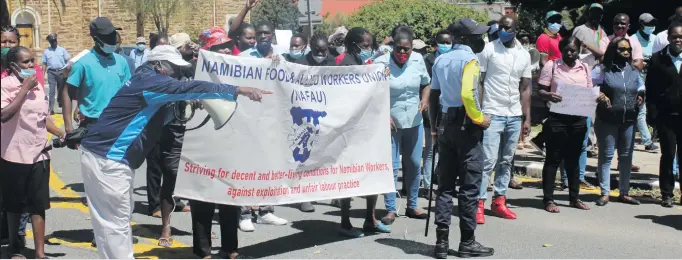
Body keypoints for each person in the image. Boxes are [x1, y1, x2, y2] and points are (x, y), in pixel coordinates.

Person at [79, 44, 270, 259]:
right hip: (109, 159)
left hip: (99, 154)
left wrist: (182, 106)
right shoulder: (152, 81)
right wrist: (236, 90)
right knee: (117, 223)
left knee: (107, 222)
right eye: (173, 68)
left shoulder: (143, 77)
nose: (177, 74)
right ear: (159, 65)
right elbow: (187, 88)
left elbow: (152, 116)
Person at [430, 18, 494, 259]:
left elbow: (434, 95)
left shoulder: (441, 59)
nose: (482, 39)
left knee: (445, 186)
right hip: (466, 129)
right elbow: (468, 93)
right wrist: (479, 118)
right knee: (469, 187)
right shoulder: (470, 59)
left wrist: (435, 130)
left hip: (445, 128)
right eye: (477, 35)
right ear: (465, 39)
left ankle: (441, 243)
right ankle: (467, 242)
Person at [1, 46, 66, 259]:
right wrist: (23, 90)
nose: (31, 66)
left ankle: (39, 253)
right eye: (26, 62)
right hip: (14, 154)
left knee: (38, 205)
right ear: (13, 66)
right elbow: (4, 115)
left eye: (32, 62)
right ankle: (15, 248)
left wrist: (61, 132)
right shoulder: (5, 86)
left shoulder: (38, 87)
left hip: (39, 153)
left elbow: (42, 117)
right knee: (15, 204)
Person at [189, 27, 243, 259]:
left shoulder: (242, 68)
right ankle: (203, 250)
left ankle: (230, 247)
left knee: (230, 195)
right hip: (202, 141)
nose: (225, 50)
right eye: (218, 47)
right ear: (206, 51)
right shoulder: (193, 71)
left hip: (231, 140)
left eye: (227, 46)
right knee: (201, 197)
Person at [334, 27, 390, 237]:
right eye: (365, 46)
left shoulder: (363, 63)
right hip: (349, 130)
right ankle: (345, 222)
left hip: (367, 128)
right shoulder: (345, 64)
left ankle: (370, 219)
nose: (369, 49)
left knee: (371, 173)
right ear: (353, 45)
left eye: (370, 45)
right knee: (348, 177)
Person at [145, 32, 199, 248]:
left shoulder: (195, 67)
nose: (190, 48)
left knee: (198, 182)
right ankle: (166, 226)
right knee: (171, 178)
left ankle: (200, 232)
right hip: (172, 131)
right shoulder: (164, 72)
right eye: (186, 46)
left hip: (196, 131)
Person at [476, 15, 531, 224]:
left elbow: (525, 88)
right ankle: (479, 203)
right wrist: (479, 112)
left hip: (514, 114)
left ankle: (499, 200)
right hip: (492, 112)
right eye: (501, 27)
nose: (503, 30)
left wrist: (527, 118)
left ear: (516, 28)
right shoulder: (489, 49)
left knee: (506, 161)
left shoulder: (524, 54)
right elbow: (480, 81)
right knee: (488, 161)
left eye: (507, 27)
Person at [373, 26, 430, 224]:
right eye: (399, 48)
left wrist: (425, 99)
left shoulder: (418, 60)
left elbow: (426, 83)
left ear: (412, 48)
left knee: (414, 164)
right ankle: (390, 209)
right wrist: (383, 114)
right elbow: (371, 92)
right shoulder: (380, 63)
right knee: (391, 166)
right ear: (393, 46)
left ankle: (413, 205)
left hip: (414, 122)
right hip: (390, 124)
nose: (403, 52)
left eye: (407, 49)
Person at [237, 21, 289, 231]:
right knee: (247, 166)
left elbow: (287, 84)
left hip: (271, 119)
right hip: (248, 118)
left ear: (272, 35)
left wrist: (278, 66)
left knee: (268, 165)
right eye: (261, 33)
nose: (264, 36)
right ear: (256, 36)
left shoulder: (280, 57)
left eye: (268, 33)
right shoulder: (243, 58)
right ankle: (244, 213)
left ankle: (266, 211)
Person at [537, 36, 593, 213]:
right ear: (561, 50)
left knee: (573, 160)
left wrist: (596, 97)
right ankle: (548, 199)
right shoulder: (552, 66)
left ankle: (574, 198)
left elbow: (590, 91)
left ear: (579, 51)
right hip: (557, 120)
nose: (570, 53)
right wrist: (548, 95)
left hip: (578, 120)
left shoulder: (584, 67)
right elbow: (540, 90)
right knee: (553, 159)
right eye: (567, 50)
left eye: (574, 50)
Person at [0, 24, 42, 250]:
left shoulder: (32, 75)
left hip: (18, 144)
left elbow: (39, 108)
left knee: (21, 198)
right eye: (2, 41)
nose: (6, 46)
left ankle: (17, 241)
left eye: (10, 42)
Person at [593, 37, 644, 206]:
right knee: (606, 156)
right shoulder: (602, 70)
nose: (626, 52)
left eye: (628, 49)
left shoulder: (633, 71)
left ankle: (624, 192)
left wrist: (641, 97)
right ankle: (605, 192)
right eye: (621, 49)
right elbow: (590, 87)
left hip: (628, 120)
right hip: (607, 119)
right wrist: (599, 95)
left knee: (625, 157)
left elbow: (641, 87)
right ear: (613, 50)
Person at [291, 33, 338, 213]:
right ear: (311, 47)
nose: (321, 54)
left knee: (330, 156)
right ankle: (305, 197)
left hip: (328, 116)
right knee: (305, 157)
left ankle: (334, 194)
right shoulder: (300, 64)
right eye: (317, 50)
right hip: (305, 118)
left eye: (324, 50)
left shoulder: (333, 63)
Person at [646, 21, 682, 208]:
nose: (678, 40)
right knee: (668, 154)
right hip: (666, 116)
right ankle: (666, 194)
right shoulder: (658, 59)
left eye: (680, 37)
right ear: (668, 38)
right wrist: (652, 115)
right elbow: (651, 88)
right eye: (674, 36)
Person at [422, 29, 453, 199]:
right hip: (433, 110)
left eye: (449, 42)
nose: (446, 45)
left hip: (449, 109)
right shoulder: (429, 60)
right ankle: (428, 186)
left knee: (446, 150)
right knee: (430, 149)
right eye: (443, 42)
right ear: (436, 44)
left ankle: (443, 183)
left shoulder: (454, 59)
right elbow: (428, 87)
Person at [529, 11, 564, 156]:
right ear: (546, 21)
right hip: (550, 79)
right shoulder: (543, 38)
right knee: (553, 115)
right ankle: (541, 139)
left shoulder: (559, 37)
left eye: (558, 20)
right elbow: (544, 62)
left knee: (557, 114)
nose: (556, 23)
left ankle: (542, 139)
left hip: (560, 78)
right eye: (553, 20)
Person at [631, 13, 660, 152]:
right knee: (640, 109)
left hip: (654, 77)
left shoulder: (656, 39)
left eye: (653, 23)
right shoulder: (633, 40)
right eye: (648, 24)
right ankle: (647, 141)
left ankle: (655, 132)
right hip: (639, 78)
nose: (651, 27)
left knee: (655, 108)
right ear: (641, 25)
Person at [41, 33, 71, 114]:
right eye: (52, 41)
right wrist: (43, 75)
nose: (54, 42)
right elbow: (44, 63)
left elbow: (68, 60)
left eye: (55, 41)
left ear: (56, 41)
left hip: (61, 71)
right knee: (51, 91)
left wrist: (67, 69)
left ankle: (61, 104)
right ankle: (51, 109)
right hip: (51, 72)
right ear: (50, 42)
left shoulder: (62, 50)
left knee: (61, 90)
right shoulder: (46, 51)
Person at [572, 3, 606, 70]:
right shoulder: (580, 29)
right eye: (593, 12)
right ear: (588, 14)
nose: (596, 15)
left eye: (598, 13)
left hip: (599, 70)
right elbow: (573, 50)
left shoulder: (603, 32)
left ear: (601, 16)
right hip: (583, 69)